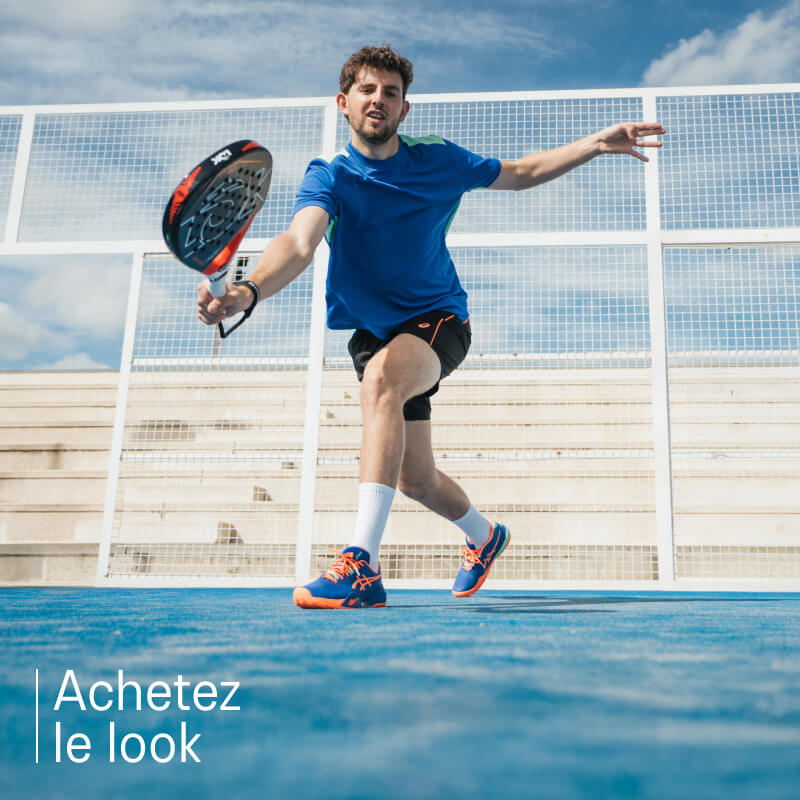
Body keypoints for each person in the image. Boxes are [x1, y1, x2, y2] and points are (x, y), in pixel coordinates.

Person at [197, 44, 665, 609]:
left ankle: (360, 568)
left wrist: (596, 143)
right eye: (368, 90)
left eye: (391, 93)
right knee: (414, 480)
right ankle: (484, 535)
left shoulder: (437, 158)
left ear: (404, 110)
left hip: (439, 318)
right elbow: (299, 243)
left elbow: (518, 173)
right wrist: (247, 292)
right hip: (375, 332)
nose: (379, 100)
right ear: (344, 103)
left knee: (381, 383)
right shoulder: (331, 175)